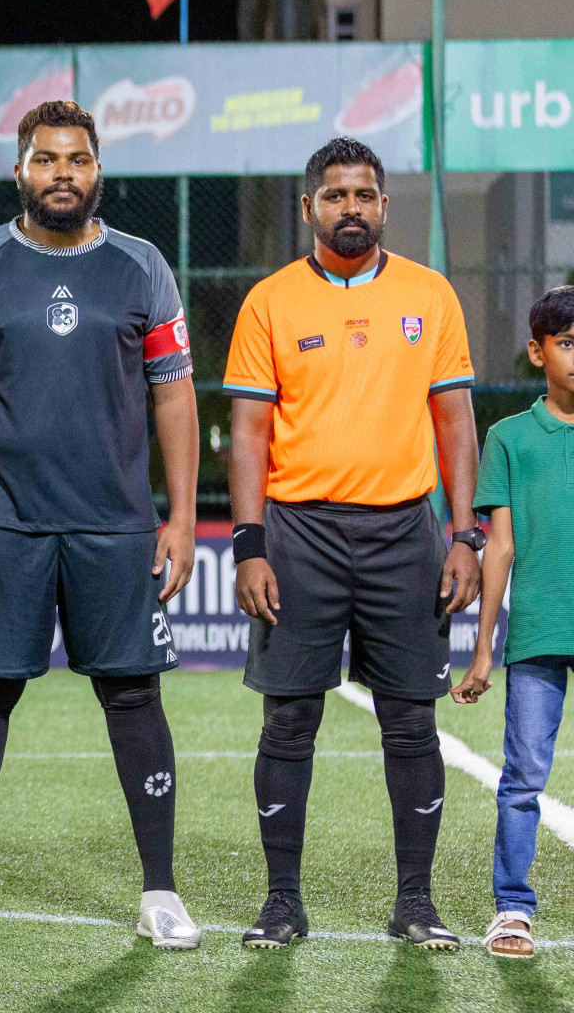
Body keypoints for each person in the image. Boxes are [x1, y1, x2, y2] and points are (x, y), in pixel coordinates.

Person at [0, 100, 201, 950]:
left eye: (77, 160)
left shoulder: (142, 266)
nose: (62, 175)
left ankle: (161, 892)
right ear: (19, 171)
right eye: (46, 160)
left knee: (133, 694)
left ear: (98, 171)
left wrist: (182, 517)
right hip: (5, 525)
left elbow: (174, 393)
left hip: (115, 524)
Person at [225, 137, 481, 950]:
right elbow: (249, 432)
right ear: (308, 209)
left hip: (406, 531)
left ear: (383, 205)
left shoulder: (430, 294)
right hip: (298, 534)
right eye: (334, 196)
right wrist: (248, 544)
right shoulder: (269, 301)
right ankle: (282, 900)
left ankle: (417, 901)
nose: (350, 208)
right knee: (289, 721)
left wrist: (466, 533)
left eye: (364, 195)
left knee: (410, 723)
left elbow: (455, 424)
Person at [452, 286, 574, 958]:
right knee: (524, 777)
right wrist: (482, 653)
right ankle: (513, 909)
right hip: (539, 636)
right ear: (538, 351)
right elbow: (497, 548)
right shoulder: (509, 438)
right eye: (567, 342)